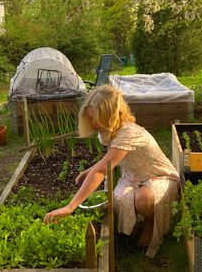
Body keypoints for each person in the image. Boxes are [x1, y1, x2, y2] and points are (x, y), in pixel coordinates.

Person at [44, 85, 180, 258]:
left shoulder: (128, 132)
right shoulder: (107, 131)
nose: (92, 123)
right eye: (91, 118)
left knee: (143, 200)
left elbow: (103, 170)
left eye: (96, 118)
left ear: (110, 115)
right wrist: (90, 170)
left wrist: (71, 206)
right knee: (117, 200)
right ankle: (137, 222)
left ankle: (150, 222)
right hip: (132, 176)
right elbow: (108, 160)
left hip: (159, 176)